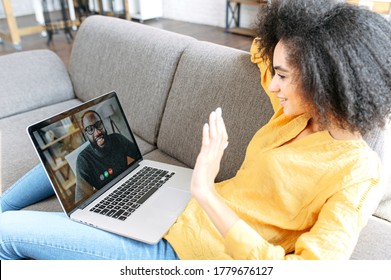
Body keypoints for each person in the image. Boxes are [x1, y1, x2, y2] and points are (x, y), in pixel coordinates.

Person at [1, 0, 391, 260]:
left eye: (284, 75)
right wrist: (295, 35)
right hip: (177, 205)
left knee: (7, 234)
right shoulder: (301, 113)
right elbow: (261, 52)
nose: (273, 85)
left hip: (183, 253)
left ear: (327, 82)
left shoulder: (357, 175)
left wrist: (206, 193)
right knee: (69, 164)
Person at [75, 110, 138, 202]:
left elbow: (139, 158)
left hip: (130, 185)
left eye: (99, 125)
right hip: (110, 199)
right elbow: (81, 201)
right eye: (90, 129)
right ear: (86, 134)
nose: (97, 132)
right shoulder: (83, 160)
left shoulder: (117, 139)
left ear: (103, 124)